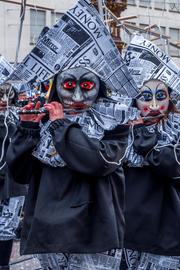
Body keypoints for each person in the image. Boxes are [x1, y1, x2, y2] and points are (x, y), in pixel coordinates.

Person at [6, 66, 129, 269]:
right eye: (69, 86)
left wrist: (61, 126)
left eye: (87, 85)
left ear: (99, 88)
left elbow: (98, 162)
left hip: (94, 229)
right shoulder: (45, 120)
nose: (78, 96)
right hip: (49, 230)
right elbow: (20, 174)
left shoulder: (115, 121)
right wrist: (28, 130)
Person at [122, 79, 180, 270]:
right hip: (127, 231)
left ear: (170, 99)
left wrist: (142, 135)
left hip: (166, 231)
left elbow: (171, 165)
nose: (154, 105)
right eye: (145, 97)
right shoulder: (119, 129)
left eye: (160, 96)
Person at [0, 83, 26, 270]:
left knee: (6, 228)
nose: (3, 101)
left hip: (12, 181)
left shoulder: (18, 117)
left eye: (7, 95)